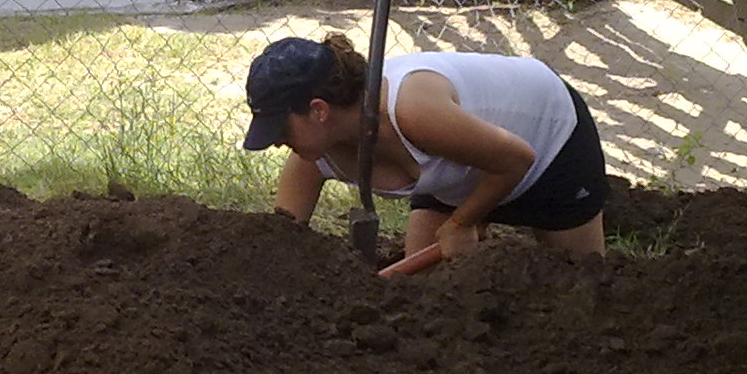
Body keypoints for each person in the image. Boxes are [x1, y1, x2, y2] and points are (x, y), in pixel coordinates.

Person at [241, 34, 608, 262]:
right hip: (454, 170)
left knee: (583, 284)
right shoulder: (314, 155)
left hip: (547, 144)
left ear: (319, 110)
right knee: (417, 295)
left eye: (280, 128)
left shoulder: (411, 110)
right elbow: (281, 241)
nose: (276, 142)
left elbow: (516, 158)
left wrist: (462, 223)